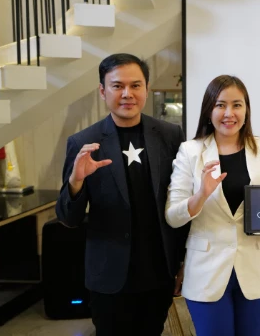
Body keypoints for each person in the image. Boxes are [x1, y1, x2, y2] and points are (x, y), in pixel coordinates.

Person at [55, 53, 189, 336]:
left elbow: (179, 204)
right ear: (103, 91)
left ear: (146, 89)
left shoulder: (169, 135)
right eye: (117, 86)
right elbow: (68, 218)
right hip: (109, 277)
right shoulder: (83, 142)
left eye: (135, 85)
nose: (127, 94)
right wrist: (76, 180)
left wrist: (182, 261)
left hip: (158, 273)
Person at [165, 75, 260, 336]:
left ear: (246, 109)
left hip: (256, 268)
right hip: (206, 271)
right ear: (209, 110)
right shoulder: (190, 151)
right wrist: (201, 194)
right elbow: (173, 216)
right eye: (220, 105)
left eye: (237, 105)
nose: (229, 113)